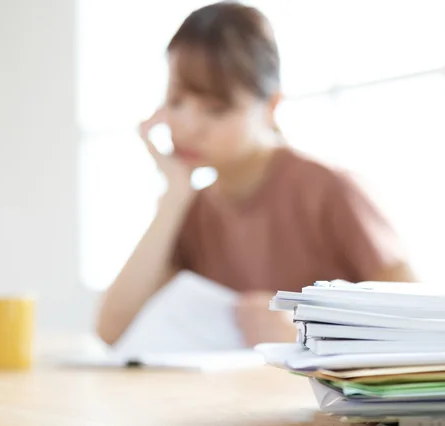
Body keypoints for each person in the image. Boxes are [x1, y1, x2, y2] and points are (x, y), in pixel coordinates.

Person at [96, 1, 416, 348]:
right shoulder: (192, 210)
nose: (188, 126)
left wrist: (308, 335)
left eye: (216, 109)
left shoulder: (328, 191)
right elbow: (113, 330)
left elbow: (416, 320)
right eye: (176, 101)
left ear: (270, 107)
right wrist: (172, 200)